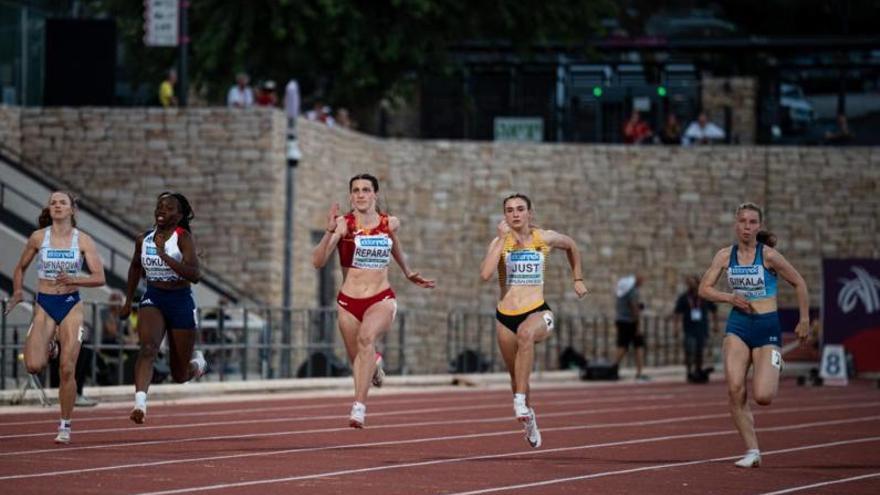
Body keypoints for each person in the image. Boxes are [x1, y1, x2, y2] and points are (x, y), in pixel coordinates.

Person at [311, 173, 435, 428]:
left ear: (374, 194)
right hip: (348, 301)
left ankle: (358, 407)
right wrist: (328, 232)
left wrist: (408, 272)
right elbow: (318, 262)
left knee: (366, 338)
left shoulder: (388, 223)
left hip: (381, 298)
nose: (360, 194)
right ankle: (375, 363)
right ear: (350, 196)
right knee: (358, 358)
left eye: (366, 190)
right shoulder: (344, 225)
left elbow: (394, 246)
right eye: (355, 190)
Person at [698, 202, 810, 468]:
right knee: (735, 389)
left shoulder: (769, 256)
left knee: (763, 396)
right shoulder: (725, 256)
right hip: (738, 326)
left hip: (766, 326)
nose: (747, 227)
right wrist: (729, 297)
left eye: (752, 222)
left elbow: (799, 283)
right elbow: (704, 288)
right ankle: (752, 451)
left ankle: (774, 360)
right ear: (735, 224)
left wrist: (804, 319)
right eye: (742, 221)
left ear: (758, 226)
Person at [479, 193, 588, 448]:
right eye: (509, 210)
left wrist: (578, 278)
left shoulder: (544, 238)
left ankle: (518, 400)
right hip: (506, 316)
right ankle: (528, 415)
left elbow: (571, 245)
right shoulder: (499, 243)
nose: (515, 214)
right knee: (517, 377)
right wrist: (502, 239)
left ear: (529, 213)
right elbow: (485, 274)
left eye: (520, 209)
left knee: (527, 334)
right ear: (504, 216)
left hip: (538, 311)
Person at [5, 191, 106, 443]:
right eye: (53, 202)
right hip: (45, 302)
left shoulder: (83, 240)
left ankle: (65, 425)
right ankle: (49, 343)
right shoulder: (39, 237)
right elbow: (20, 268)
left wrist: (74, 279)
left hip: (71, 303)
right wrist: (17, 292)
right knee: (33, 365)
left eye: (63, 202)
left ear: (72, 209)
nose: (58, 206)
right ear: (49, 209)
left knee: (67, 368)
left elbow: (99, 278)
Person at [120, 192, 207, 424]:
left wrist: (163, 256)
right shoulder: (144, 239)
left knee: (179, 374)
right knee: (147, 349)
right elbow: (135, 267)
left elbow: (195, 274)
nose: (162, 211)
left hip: (180, 301)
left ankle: (197, 364)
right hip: (154, 298)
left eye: (169, 208)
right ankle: (140, 404)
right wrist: (127, 301)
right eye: (159, 206)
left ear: (179, 216)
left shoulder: (183, 238)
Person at [674, 274, 718, 383]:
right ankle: (689, 371)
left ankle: (698, 369)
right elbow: (677, 313)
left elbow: (714, 310)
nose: (691, 284)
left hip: (702, 327)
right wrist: (676, 327)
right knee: (689, 349)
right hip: (689, 328)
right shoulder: (684, 298)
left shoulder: (704, 296)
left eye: (693, 282)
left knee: (699, 350)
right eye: (689, 283)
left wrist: (715, 324)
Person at [613, 273, 648, 381]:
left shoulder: (623, 290)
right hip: (630, 322)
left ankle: (614, 368)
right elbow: (634, 308)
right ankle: (638, 372)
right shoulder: (632, 291)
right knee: (631, 346)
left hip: (621, 320)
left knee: (627, 346)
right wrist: (638, 326)